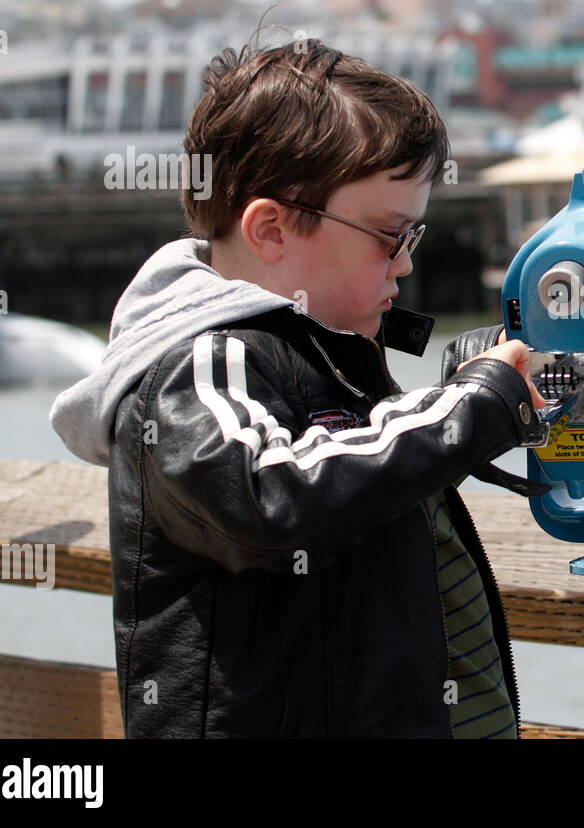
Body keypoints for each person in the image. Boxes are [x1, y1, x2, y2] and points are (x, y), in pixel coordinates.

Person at [49, 37, 547, 738]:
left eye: (415, 235)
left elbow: (357, 476)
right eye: (388, 234)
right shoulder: (197, 364)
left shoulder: (325, 354)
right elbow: (268, 499)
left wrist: (460, 395)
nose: (405, 264)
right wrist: (471, 408)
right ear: (272, 229)